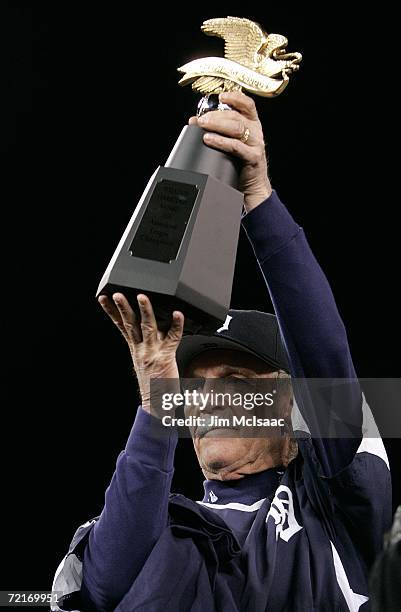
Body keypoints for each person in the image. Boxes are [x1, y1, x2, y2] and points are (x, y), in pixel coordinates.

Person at [51, 92, 392, 611]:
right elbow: (107, 584)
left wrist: (258, 198)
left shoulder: (333, 510)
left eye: (235, 383)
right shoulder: (166, 528)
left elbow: (325, 364)